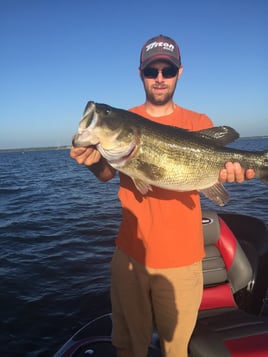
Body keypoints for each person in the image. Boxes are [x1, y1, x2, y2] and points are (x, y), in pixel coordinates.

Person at [70, 35, 255, 357]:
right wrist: (94, 162)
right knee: (127, 345)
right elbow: (106, 175)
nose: (159, 78)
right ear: (140, 73)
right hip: (130, 254)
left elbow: (208, 179)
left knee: (176, 349)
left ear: (178, 73)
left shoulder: (198, 122)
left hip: (182, 260)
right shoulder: (127, 117)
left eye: (166, 70)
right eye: (151, 70)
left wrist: (231, 173)